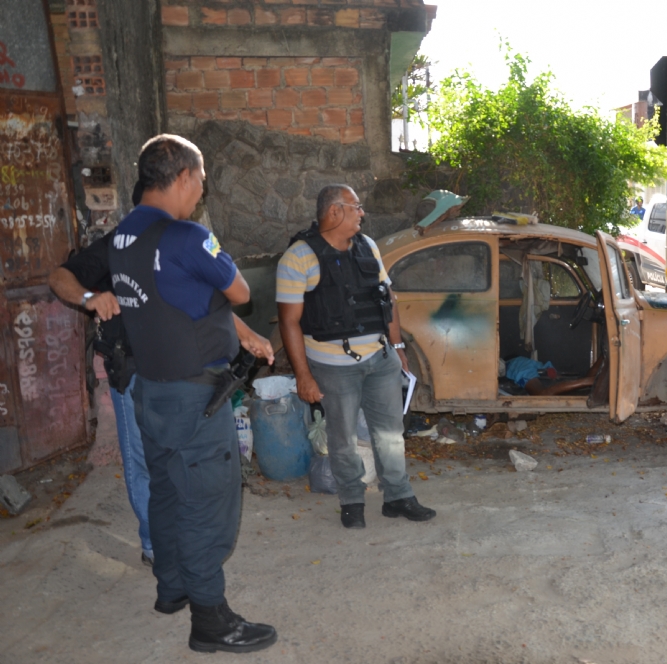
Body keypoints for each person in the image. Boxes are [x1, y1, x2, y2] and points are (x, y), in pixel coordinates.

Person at [48, 183, 274, 576]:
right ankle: (158, 548)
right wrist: (90, 299)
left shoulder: (171, 243)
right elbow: (59, 277)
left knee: (184, 464)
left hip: (176, 372)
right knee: (144, 463)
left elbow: (196, 300)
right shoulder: (119, 245)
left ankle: (181, 551)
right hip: (132, 371)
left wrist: (246, 335)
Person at [107, 134, 276, 654]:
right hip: (195, 398)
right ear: (182, 176)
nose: (201, 192)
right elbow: (241, 293)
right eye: (200, 181)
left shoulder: (122, 236)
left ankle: (172, 588)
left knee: (166, 490)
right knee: (207, 502)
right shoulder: (185, 236)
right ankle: (210, 619)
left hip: (150, 392)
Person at [277, 184, 435, 529]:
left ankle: (397, 496)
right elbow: (289, 322)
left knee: (391, 433)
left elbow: (386, 299)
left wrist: (397, 349)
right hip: (333, 367)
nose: (362, 213)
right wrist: (303, 375)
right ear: (335, 212)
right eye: (356, 207)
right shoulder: (299, 257)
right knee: (343, 438)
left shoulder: (368, 246)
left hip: (380, 360)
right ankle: (352, 501)